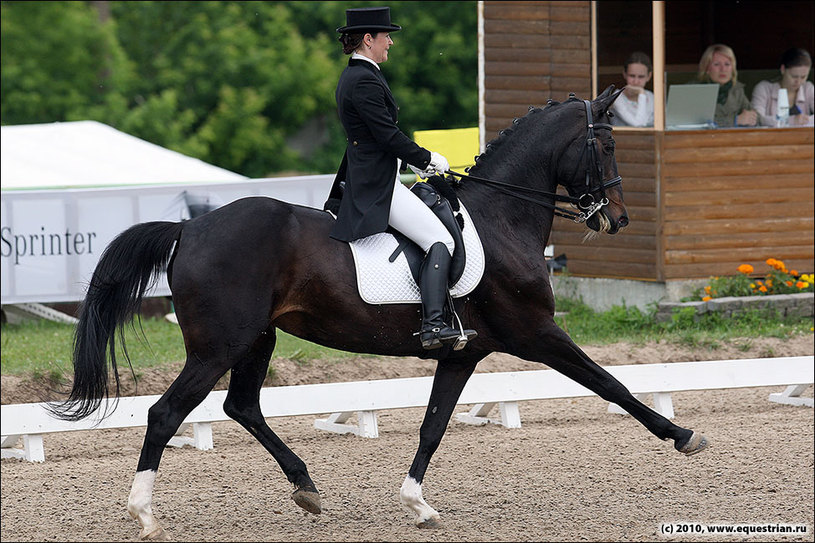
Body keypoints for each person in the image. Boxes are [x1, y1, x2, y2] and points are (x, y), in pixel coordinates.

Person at [324, 7, 476, 350]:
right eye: (386, 36)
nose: (390, 42)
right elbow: (386, 135)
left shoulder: (359, 75)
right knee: (442, 240)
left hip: (379, 176)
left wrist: (415, 165)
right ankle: (434, 325)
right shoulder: (363, 79)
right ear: (368, 39)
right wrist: (427, 159)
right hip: (376, 185)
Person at [697, 44, 758, 128]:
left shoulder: (737, 90)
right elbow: (697, 123)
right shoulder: (695, 91)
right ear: (707, 68)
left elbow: (755, 117)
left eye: (727, 64)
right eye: (717, 64)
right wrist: (736, 120)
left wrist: (752, 118)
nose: (723, 69)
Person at [751, 48, 814, 127]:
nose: (798, 82)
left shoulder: (808, 88)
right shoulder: (764, 89)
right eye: (794, 76)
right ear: (783, 69)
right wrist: (791, 121)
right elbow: (757, 119)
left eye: (803, 77)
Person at [610, 51, 654, 127]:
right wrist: (641, 93)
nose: (636, 81)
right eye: (632, 76)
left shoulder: (651, 96)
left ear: (649, 76)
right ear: (625, 74)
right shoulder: (617, 97)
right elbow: (639, 125)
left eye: (641, 77)